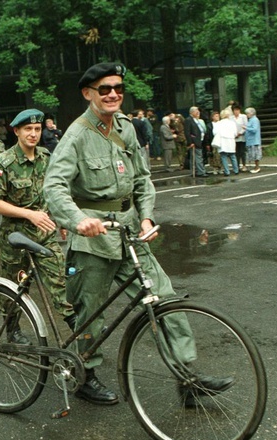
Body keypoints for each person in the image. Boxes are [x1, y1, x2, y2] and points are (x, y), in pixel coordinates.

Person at [44, 62, 233, 406]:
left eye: (118, 87)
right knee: (91, 314)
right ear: (88, 94)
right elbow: (53, 187)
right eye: (104, 89)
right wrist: (76, 220)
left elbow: (142, 179)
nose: (113, 93)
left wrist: (146, 218)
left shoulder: (125, 128)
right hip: (93, 240)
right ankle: (84, 372)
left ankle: (187, 379)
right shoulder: (75, 136)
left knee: (165, 300)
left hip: (130, 234)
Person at [0, 108, 77, 344]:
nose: (33, 134)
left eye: (37, 129)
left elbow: (54, 192)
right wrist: (29, 214)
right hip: (15, 237)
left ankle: (78, 326)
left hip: (44, 233)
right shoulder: (4, 162)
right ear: (16, 131)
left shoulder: (46, 157)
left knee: (59, 279)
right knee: (15, 285)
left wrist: (61, 220)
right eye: (28, 129)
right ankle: (12, 329)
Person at [212, 109, 239, 176]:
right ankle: (236, 170)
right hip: (231, 140)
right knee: (232, 156)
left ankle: (227, 171)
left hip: (223, 141)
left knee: (223, 156)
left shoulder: (218, 123)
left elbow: (214, 132)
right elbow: (235, 133)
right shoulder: (232, 123)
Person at [184, 106, 207, 177]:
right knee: (197, 157)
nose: (198, 113)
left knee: (195, 157)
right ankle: (201, 172)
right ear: (192, 112)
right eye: (196, 111)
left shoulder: (195, 120)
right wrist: (190, 142)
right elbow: (187, 132)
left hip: (199, 140)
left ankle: (196, 171)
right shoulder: (188, 120)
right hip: (194, 141)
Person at [244, 108, 262, 174]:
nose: (247, 115)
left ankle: (257, 167)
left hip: (254, 140)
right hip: (250, 141)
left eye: (247, 113)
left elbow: (254, 130)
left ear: (252, 113)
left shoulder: (255, 120)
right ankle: (256, 167)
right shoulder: (250, 120)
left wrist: (246, 128)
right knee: (253, 155)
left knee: (255, 155)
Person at [232, 105, 248, 172]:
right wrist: (235, 134)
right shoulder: (231, 118)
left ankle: (244, 165)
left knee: (242, 152)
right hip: (234, 137)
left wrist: (240, 133)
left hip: (242, 136)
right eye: (235, 110)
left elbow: (245, 125)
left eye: (237, 110)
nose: (236, 111)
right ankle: (237, 165)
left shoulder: (243, 116)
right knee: (236, 152)